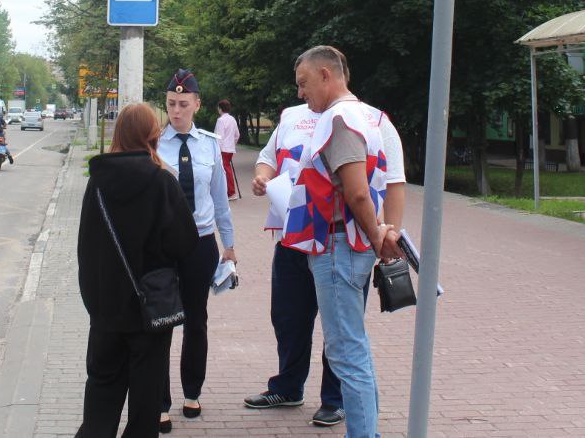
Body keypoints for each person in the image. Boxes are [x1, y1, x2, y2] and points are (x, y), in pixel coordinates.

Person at [244, 55, 406, 428]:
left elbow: (358, 194)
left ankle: (362, 431)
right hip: (333, 243)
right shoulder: (367, 118)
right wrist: (383, 233)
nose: (300, 92)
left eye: (304, 82)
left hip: (337, 244)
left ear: (325, 75)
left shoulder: (340, 119)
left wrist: (380, 233)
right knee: (352, 346)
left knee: (346, 350)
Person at [76, 103, 197, 438]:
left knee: (101, 394)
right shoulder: (162, 182)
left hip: (106, 311)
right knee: (145, 404)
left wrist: (95, 303)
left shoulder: (97, 183)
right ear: (152, 135)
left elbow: (86, 247)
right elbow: (185, 244)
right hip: (150, 312)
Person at [156, 69, 236, 432]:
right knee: (160, 321)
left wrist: (229, 246)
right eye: (171, 104)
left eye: (183, 104)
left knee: (196, 320)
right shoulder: (154, 143)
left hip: (201, 243)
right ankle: (159, 401)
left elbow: (220, 200)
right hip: (162, 244)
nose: (176, 111)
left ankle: (192, 391)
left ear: (197, 104)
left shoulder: (209, 144)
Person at [213, 99, 240, 200]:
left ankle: (231, 193)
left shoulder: (220, 120)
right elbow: (237, 135)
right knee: (226, 169)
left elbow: (219, 137)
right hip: (229, 149)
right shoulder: (232, 119)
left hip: (222, 149)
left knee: (224, 170)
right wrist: (232, 144)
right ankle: (228, 192)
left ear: (220, 108)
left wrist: (217, 150)